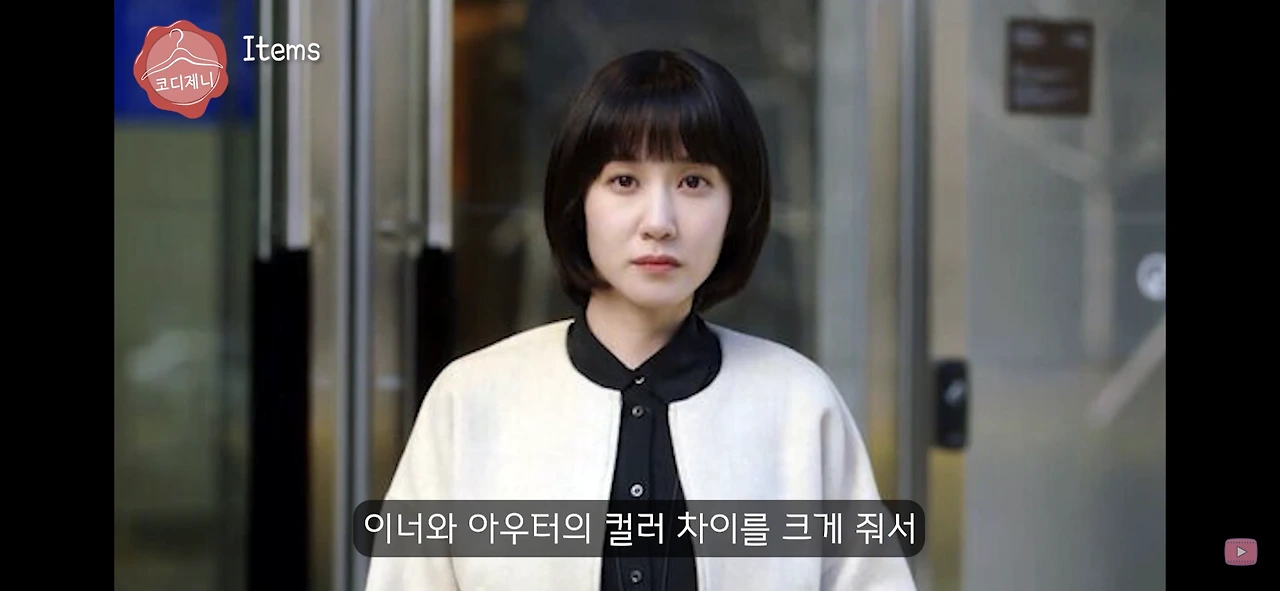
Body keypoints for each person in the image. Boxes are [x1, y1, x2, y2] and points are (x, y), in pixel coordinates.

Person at [364, 48, 917, 591]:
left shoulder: (798, 403)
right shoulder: (472, 397)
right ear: (578, 202)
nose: (659, 222)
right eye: (624, 181)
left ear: (736, 208)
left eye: (693, 182)